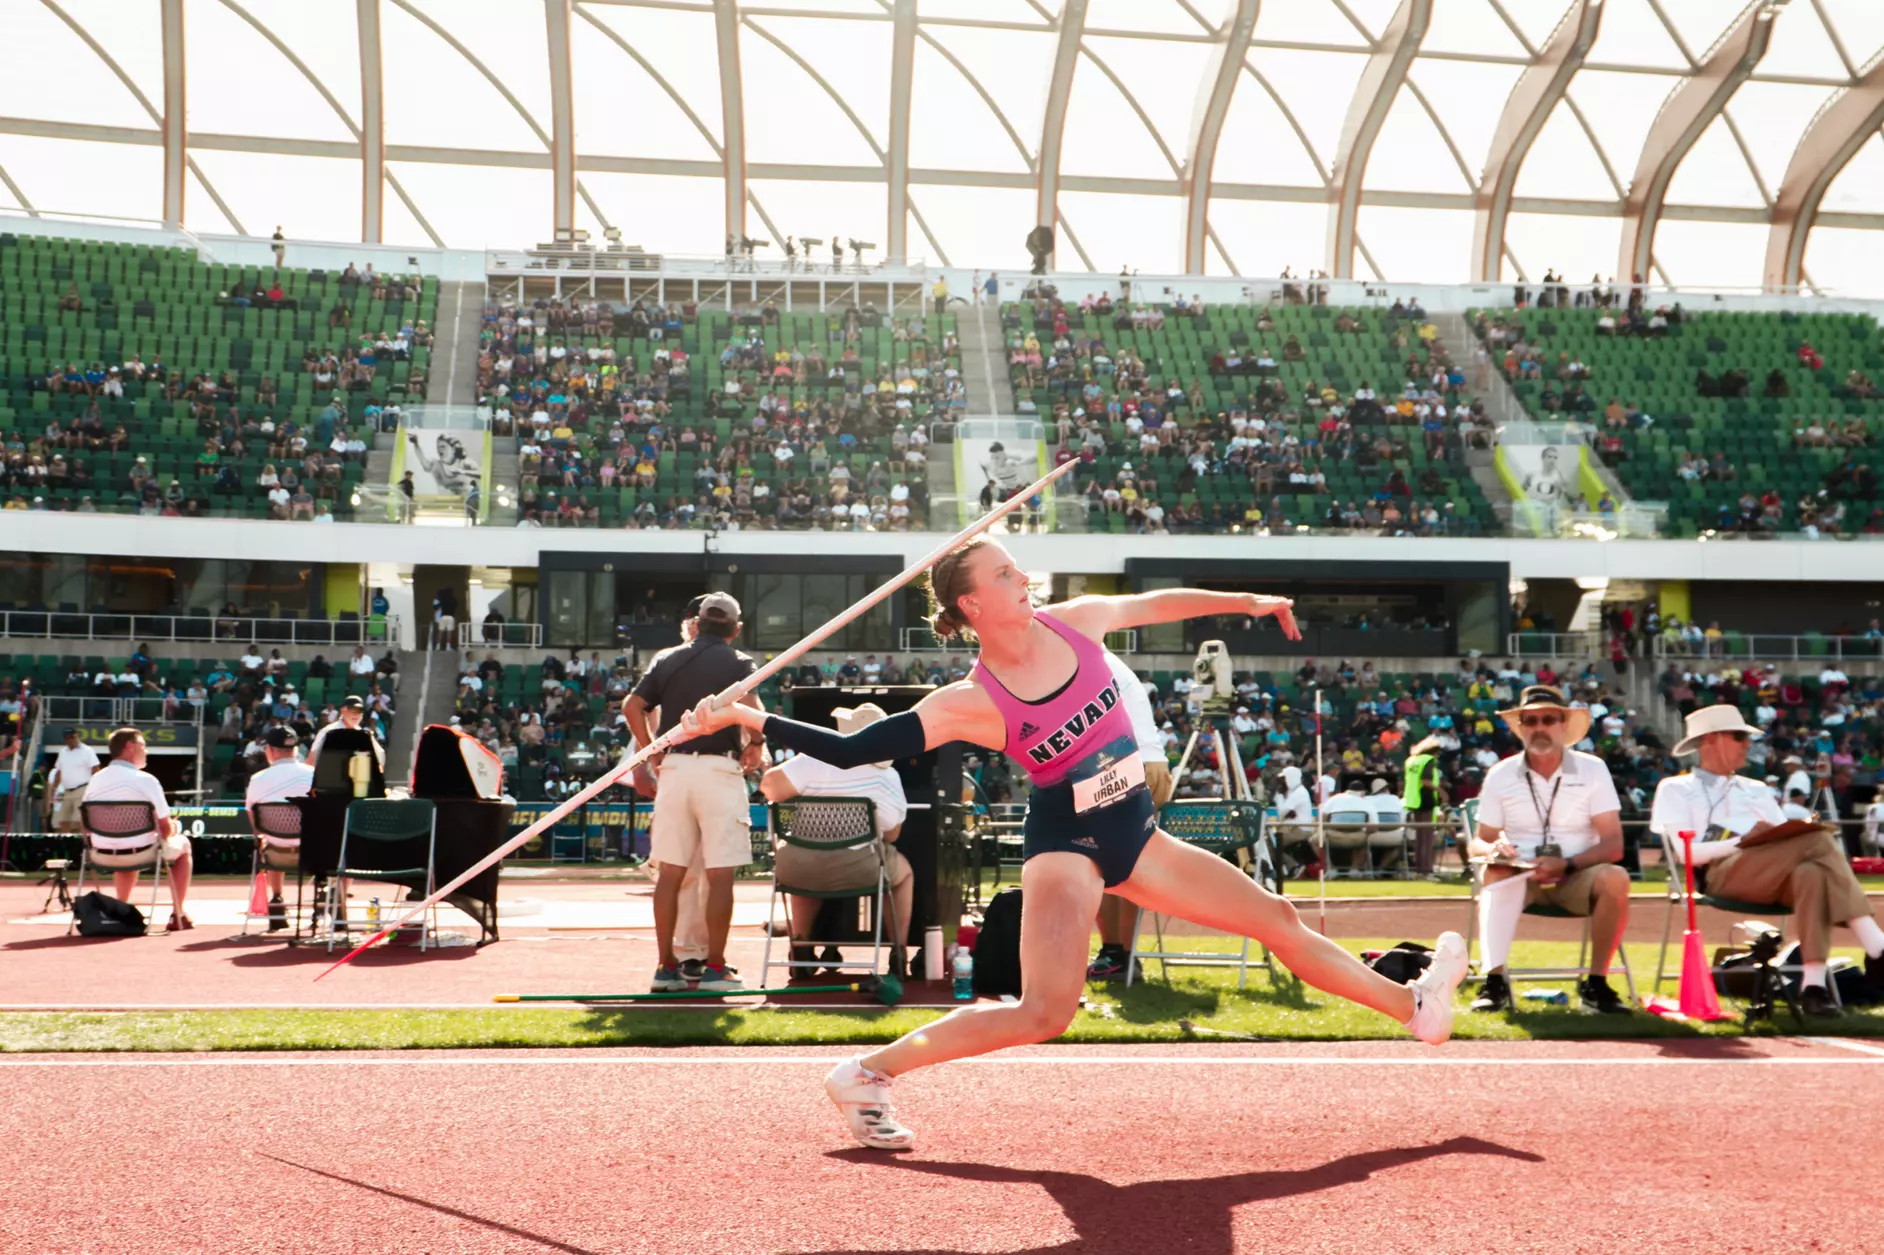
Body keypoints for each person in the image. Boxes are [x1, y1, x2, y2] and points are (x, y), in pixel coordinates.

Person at [676, 536, 1467, 1150]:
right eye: (1006, 573)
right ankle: (864, 1074)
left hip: (1138, 835)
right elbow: (855, 750)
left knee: (1276, 917)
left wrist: (1250, 599)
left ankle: (1416, 1007)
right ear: (971, 604)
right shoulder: (970, 701)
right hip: (1070, 848)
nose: (1025, 579)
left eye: (1020, 567)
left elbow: (1157, 604)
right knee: (1042, 1012)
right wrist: (747, 717)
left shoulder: (1077, 621)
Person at [1650, 704, 1884, 1017]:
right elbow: (1685, 853)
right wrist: (1743, 842)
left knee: (1812, 872)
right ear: (1710, 740)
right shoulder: (1675, 788)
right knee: (1818, 839)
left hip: (1775, 874)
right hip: (1721, 874)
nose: (1747, 744)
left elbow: (1788, 840)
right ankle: (1877, 946)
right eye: (1738, 736)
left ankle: (1813, 988)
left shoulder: (1757, 789)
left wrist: (1768, 838)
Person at [626, 592, 766, 993]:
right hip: (719, 769)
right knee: (721, 874)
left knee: (670, 873)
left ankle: (665, 967)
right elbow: (753, 708)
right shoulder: (738, 662)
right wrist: (755, 743)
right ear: (735, 629)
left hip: (675, 768)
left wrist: (651, 749)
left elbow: (632, 706)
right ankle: (715, 968)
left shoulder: (667, 659)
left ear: (698, 623)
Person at [1465, 686, 1631, 1014]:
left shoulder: (1593, 768)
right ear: (1521, 727)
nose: (1539, 727)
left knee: (1617, 877)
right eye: (1530, 720)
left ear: (1564, 724)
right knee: (1495, 870)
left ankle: (1596, 984)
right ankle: (1494, 982)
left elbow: (1614, 844)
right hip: (1519, 876)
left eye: (1548, 719)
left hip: (1577, 876)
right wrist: (1494, 849)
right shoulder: (1501, 773)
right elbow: (1478, 841)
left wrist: (1566, 864)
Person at [758, 703, 913, 976]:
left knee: (805, 861)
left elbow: (768, 788)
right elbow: (892, 834)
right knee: (904, 873)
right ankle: (898, 951)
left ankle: (802, 946)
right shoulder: (887, 776)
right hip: (859, 869)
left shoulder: (812, 761)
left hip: (796, 867)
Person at [1087, 654, 1174, 981]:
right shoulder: (1108, 660)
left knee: (1099, 866)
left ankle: (1115, 953)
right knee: (1124, 868)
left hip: (1122, 765)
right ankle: (1124, 953)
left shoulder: (1081, 659)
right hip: (1150, 765)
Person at [83, 727, 193, 930]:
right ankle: (178, 913)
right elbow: (164, 829)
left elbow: (85, 825)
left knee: (127, 843)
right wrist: (173, 829)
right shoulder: (146, 780)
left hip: (100, 854)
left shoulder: (94, 781)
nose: (147, 751)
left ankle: (121, 908)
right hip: (141, 853)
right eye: (143, 745)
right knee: (184, 845)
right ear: (130, 747)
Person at [244, 725, 313, 931]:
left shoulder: (257, 779)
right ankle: (333, 903)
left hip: (275, 855)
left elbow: (254, 823)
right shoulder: (315, 775)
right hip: (314, 854)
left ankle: (276, 898)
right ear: (296, 750)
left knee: (269, 841)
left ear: (270, 751)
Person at [48, 728, 100, 834]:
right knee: (63, 820)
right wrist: (53, 789)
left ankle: (83, 845)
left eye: (74, 736)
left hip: (82, 789)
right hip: (67, 791)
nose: (72, 739)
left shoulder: (87, 751)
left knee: (80, 821)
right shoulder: (63, 752)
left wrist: (96, 788)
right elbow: (59, 772)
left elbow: (95, 770)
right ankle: (67, 845)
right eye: (69, 737)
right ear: (65, 739)